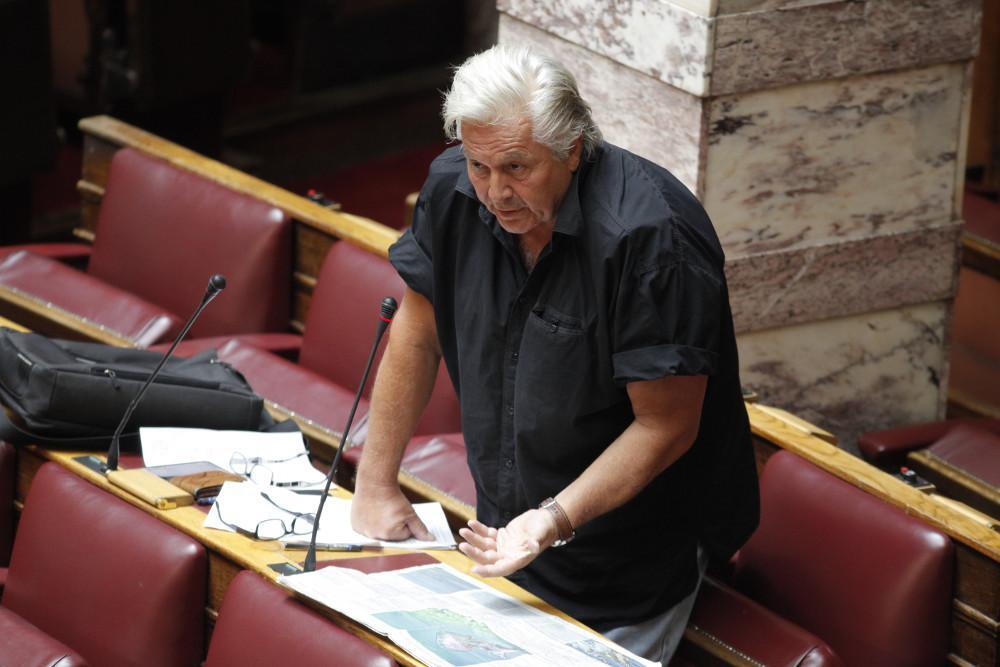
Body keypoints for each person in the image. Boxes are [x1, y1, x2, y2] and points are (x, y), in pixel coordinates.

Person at [351, 44, 759, 663]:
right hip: (508, 531)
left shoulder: (651, 239)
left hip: (628, 556)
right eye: (479, 165)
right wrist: (375, 483)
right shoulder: (454, 189)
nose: (495, 192)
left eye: (517, 167)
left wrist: (551, 520)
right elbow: (418, 327)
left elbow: (666, 426)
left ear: (572, 148)